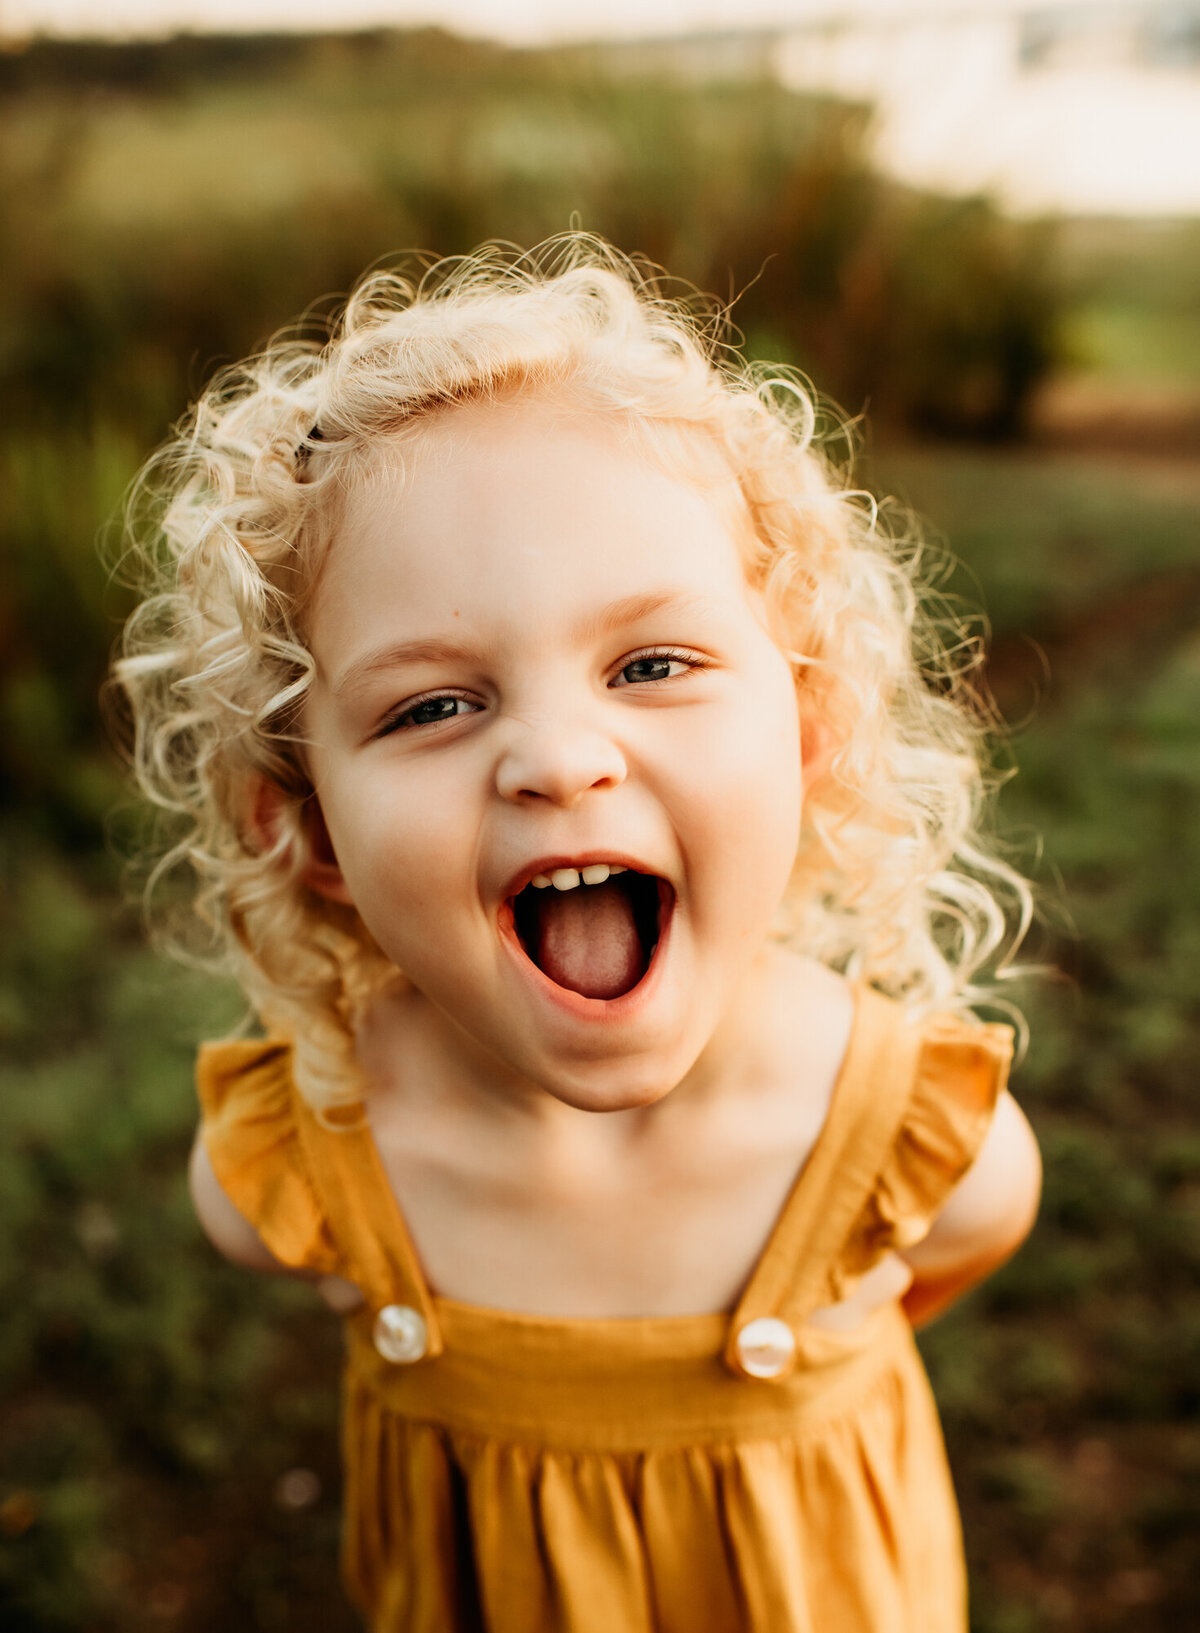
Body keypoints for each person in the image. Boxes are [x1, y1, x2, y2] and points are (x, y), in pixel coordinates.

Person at [113, 234, 1042, 1633]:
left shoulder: (921, 1149)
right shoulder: (301, 1171)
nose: (556, 759)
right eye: (431, 704)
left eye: (651, 664)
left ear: (812, 733)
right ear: (301, 835)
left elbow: (960, 1248)